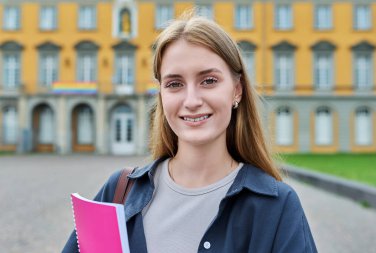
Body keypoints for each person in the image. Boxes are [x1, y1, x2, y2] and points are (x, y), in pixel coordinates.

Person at [63, 14, 317, 253]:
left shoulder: (276, 207)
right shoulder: (119, 192)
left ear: (237, 90)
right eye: (174, 84)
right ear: (161, 94)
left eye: (208, 81)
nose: (192, 100)